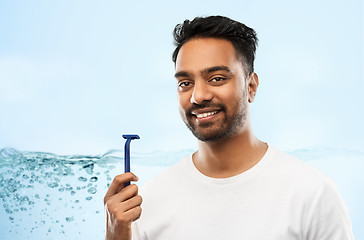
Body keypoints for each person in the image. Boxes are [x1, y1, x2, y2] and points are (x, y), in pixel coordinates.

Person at [104, 16, 354, 240]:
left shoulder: (313, 194)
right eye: (185, 83)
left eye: (217, 78)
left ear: (251, 87)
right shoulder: (144, 204)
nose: (198, 96)